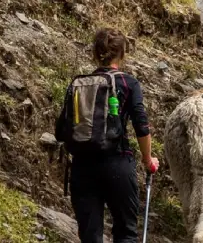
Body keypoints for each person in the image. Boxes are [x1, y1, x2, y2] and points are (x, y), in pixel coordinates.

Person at [58, 28, 159, 243]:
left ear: (95, 53)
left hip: (82, 168)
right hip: (118, 164)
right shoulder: (128, 83)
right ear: (122, 54)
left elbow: (61, 130)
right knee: (125, 233)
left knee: (90, 235)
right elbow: (141, 125)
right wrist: (148, 159)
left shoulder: (79, 84)